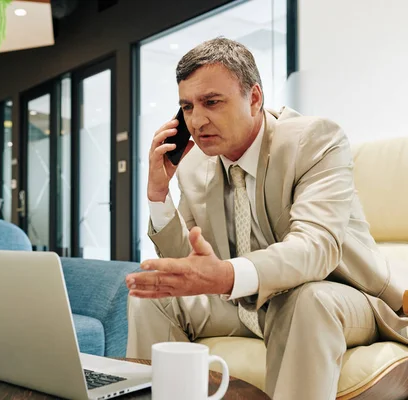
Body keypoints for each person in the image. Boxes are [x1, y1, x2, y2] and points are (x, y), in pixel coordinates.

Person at [125, 37, 408, 400]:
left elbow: (315, 247)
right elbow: (188, 265)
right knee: (155, 291)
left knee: (306, 301)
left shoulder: (315, 141)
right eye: (187, 106)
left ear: (254, 98)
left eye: (211, 102)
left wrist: (228, 275)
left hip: (340, 297)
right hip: (247, 305)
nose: (196, 120)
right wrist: (158, 195)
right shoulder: (194, 164)